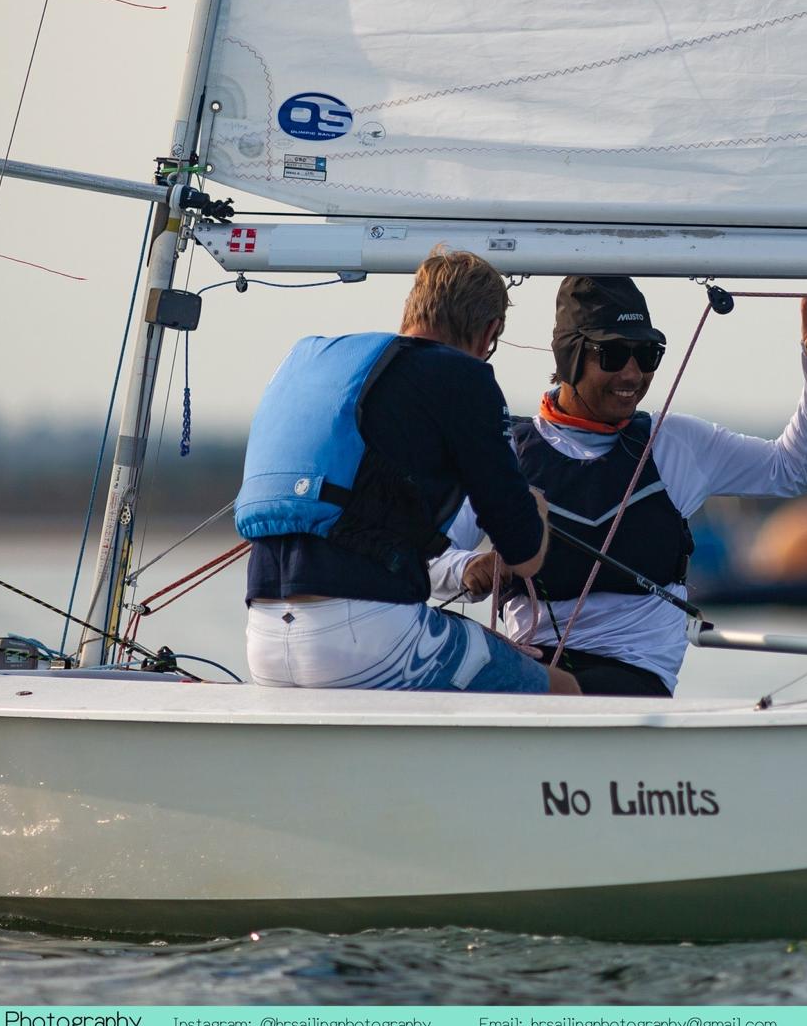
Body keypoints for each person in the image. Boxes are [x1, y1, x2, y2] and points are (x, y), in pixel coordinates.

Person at [430, 275, 807, 697]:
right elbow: (428, 561)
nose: (632, 373)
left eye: (647, 354)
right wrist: (470, 568)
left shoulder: (675, 444)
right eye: (612, 355)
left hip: (632, 675)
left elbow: (794, 468)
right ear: (570, 356)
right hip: (530, 662)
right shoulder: (505, 450)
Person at [237, 248, 579, 695]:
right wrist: (537, 513)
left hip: (262, 638)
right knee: (563, 691)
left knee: (474, 644)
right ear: (489, 332)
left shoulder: (315, 362)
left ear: (410, 310)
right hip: (367, 640)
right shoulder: (464, 378)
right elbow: (525, 556)